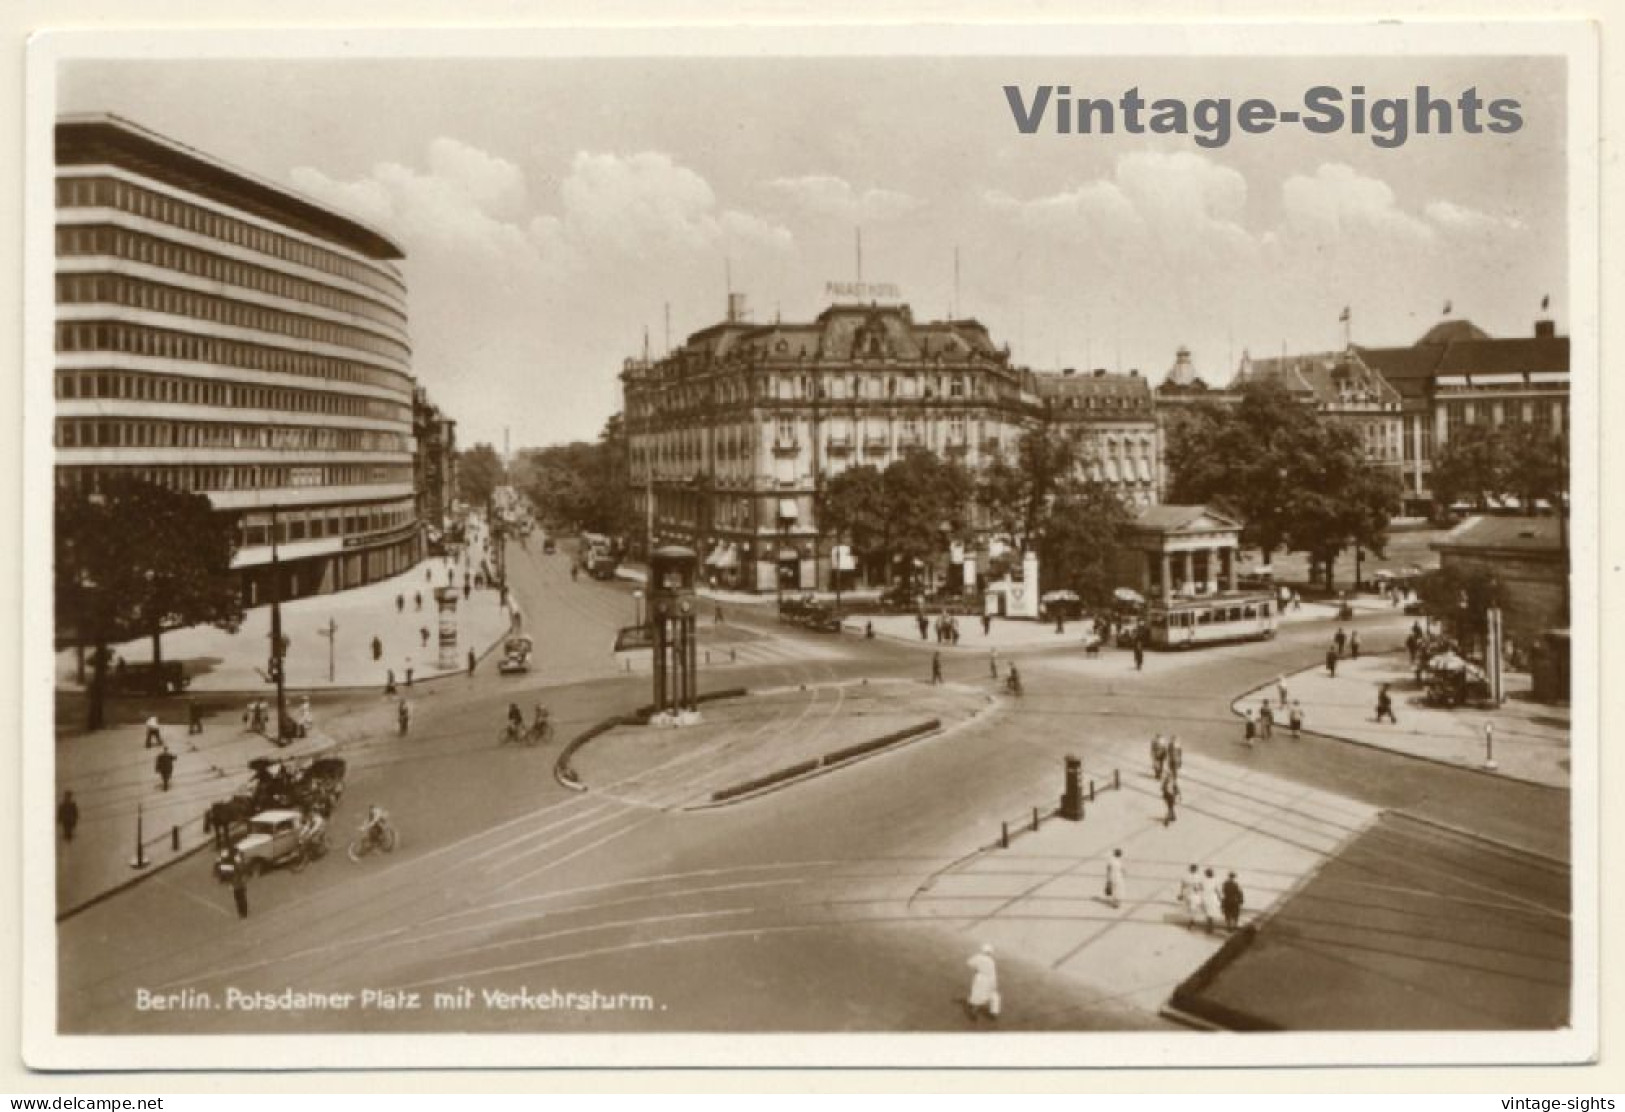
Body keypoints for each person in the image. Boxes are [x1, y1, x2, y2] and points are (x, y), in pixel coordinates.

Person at [964, 943, 999, 1023]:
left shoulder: (978, 957)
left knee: (977, 995)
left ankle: (974, 1012)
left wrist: (976, 968)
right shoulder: (991, 961)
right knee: (994, 996)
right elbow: (993, 974)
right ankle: (994, 1013)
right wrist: (994, 984)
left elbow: (969, 963)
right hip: (988, 979)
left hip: (979, 978)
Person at [1201, 867, 1223, 933]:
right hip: (1212, 898)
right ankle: (1210, 928)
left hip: (1206, 897)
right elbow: (1217, 891)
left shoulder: (1203, 881)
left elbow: (1200, 889)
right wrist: (1220, 898)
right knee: (1211, 914)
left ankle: (1209, 928)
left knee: (1208, 914)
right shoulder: (1215, 880)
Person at [230, 854, 250, 919]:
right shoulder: (234, 866)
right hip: (236, 885)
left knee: (241, 899)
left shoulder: (239, 866)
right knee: (239, 900)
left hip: (239, 885)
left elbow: (243, 874)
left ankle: (244, 913)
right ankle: (242, 913)